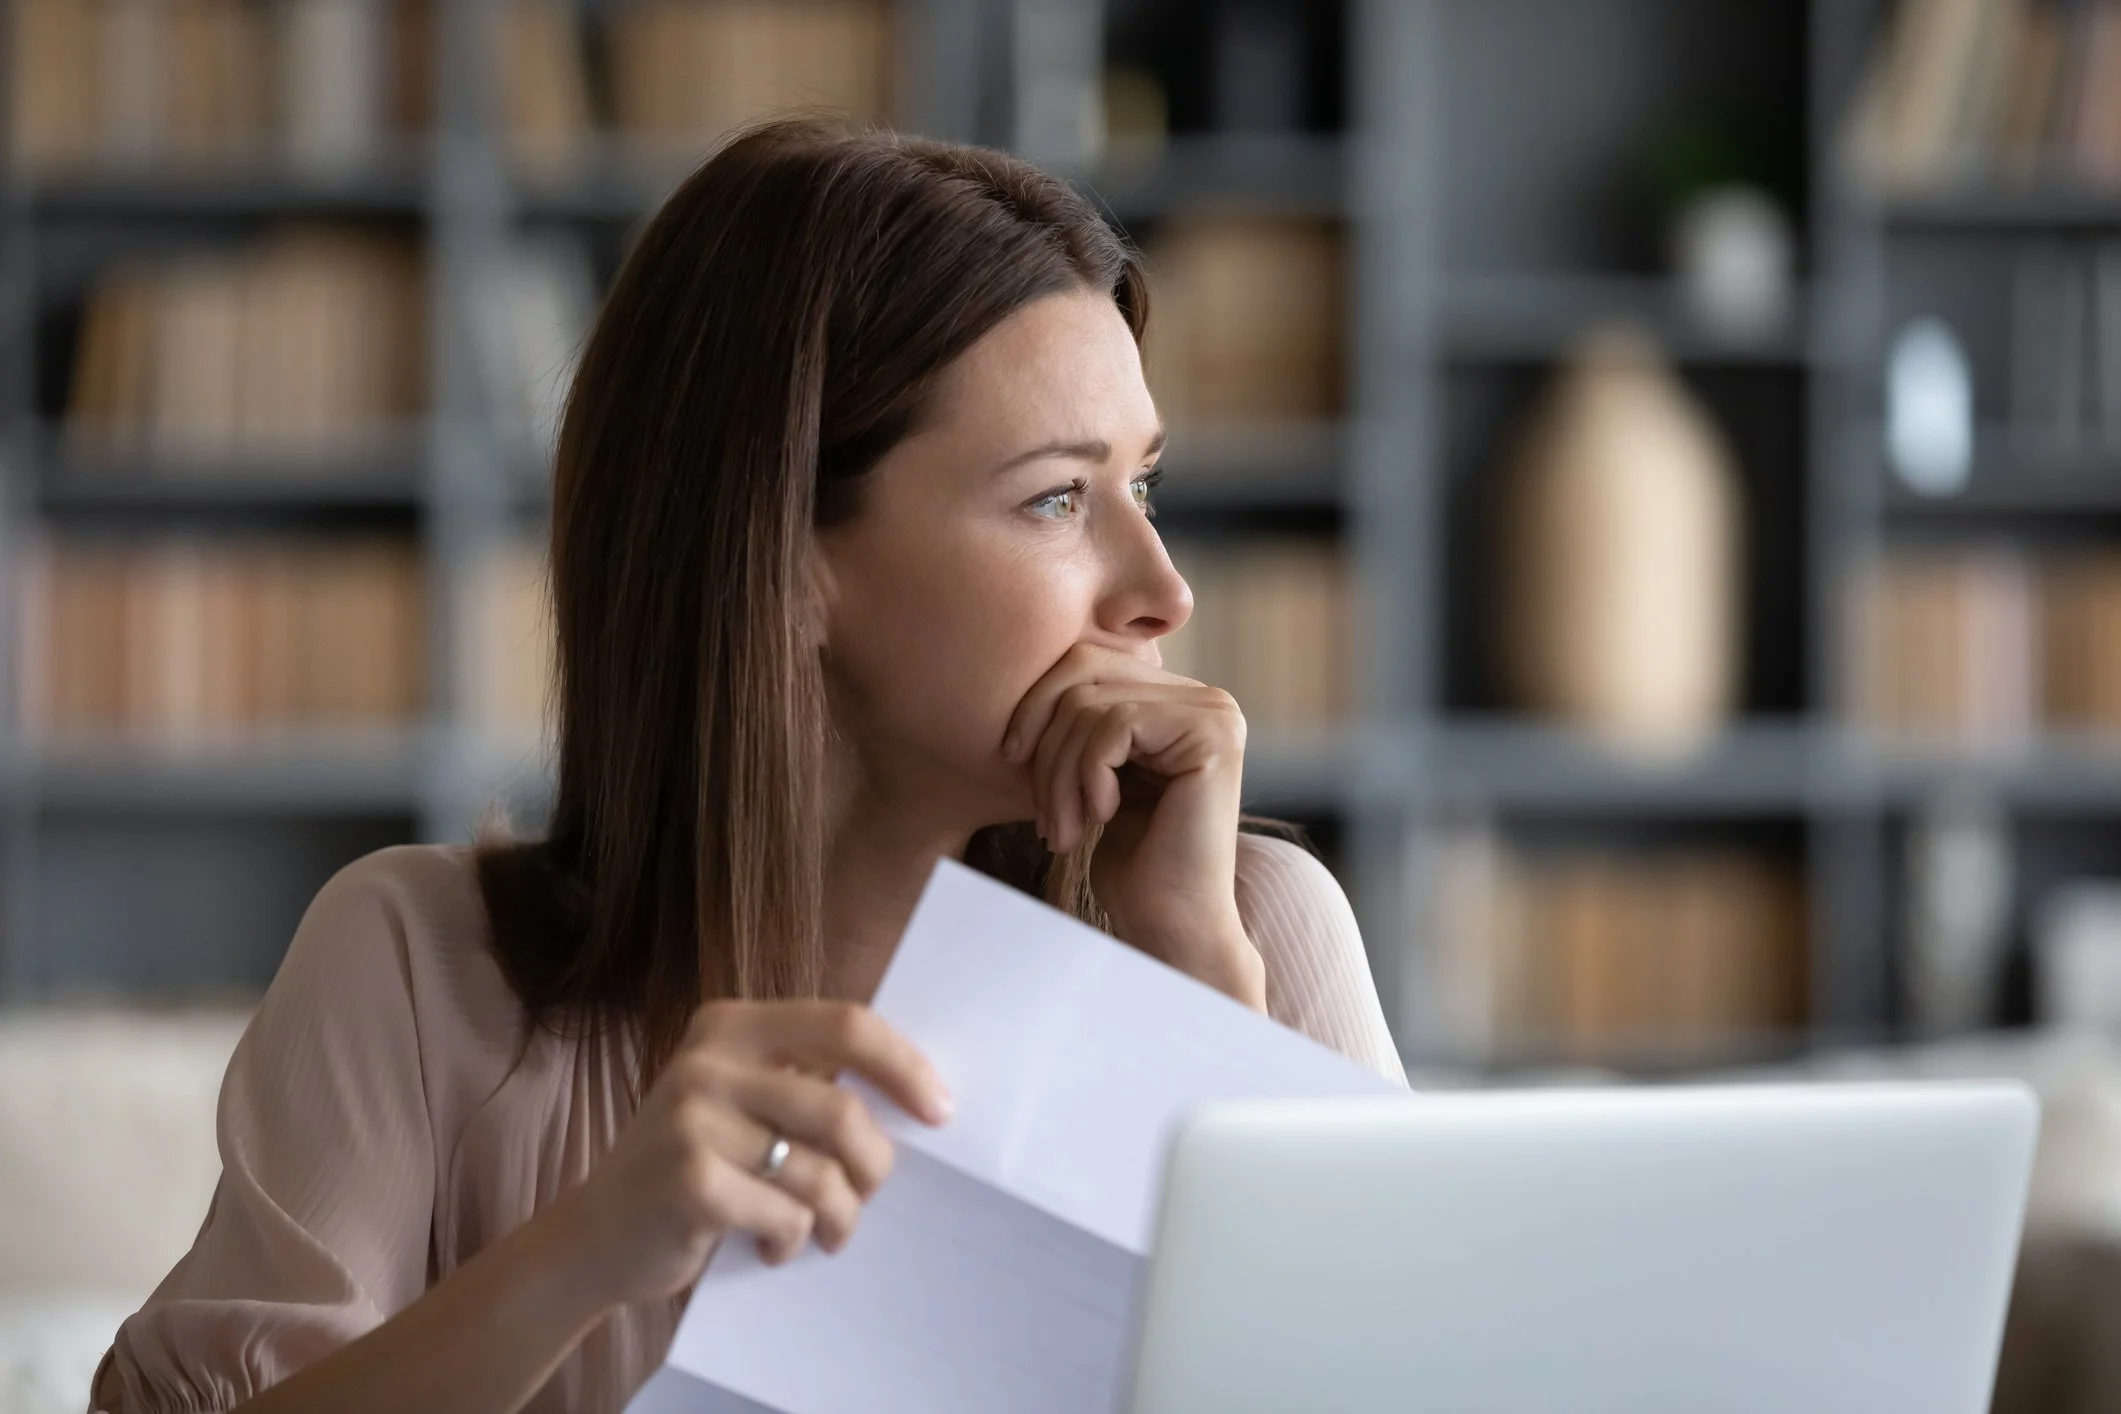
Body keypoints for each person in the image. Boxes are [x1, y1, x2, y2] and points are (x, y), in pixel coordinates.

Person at [88, 116, 1407, 1414]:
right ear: (785, 560)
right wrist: (581, 1256)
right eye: (1058, 498)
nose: (1162, 591)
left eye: (1147, 487)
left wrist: (1203, 1018)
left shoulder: (1259, 934)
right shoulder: (417, 968)